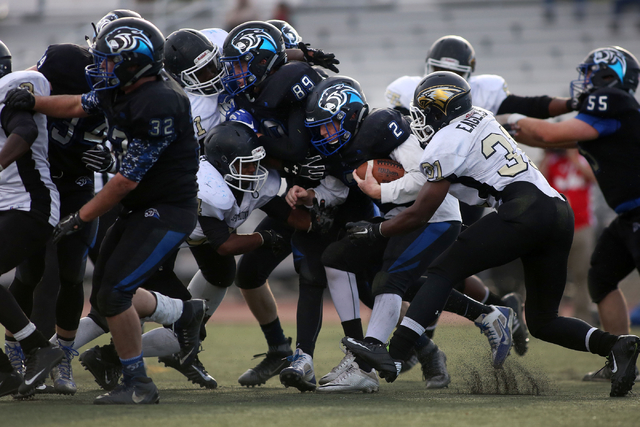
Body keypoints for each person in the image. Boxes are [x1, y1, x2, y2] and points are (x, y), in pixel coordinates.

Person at [342, 71, 640, 399]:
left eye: (425, 111)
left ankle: (395, 355)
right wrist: (390, 191)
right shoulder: (481, 116)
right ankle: (616, 345)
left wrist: (376, 230)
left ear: (439, 110)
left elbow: (420, 213)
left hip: (522, 209)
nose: (421, 120)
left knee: (442, 270)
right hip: (557, 211)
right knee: (543, 321)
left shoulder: (445, 142)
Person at [3, 17, 203, 404]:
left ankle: (138, 383)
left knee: (112, 294)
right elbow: (78, 103)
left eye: (110, 59)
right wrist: (34, 101)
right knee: (108, 294)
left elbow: (125, 180)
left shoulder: (159, 101)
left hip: (167, 208)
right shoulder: (121, 88)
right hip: (140, 207)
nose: (101, 67)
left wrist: (81, 216)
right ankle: (181, 312)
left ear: (133, 63)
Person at [287, 76, 518, 392]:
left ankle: (363, 368)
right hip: (398, 221)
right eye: (321, 129)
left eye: (331, 125)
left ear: (352, 114)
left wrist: (382, 190)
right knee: (335, 260)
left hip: (434, 219)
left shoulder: (382, 127)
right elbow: (336, 190)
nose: (326, 135)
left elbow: (424, 178)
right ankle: (486, 316)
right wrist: (312, 197)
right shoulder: (342, 149)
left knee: (390, 281)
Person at [500, 45, 640, 386]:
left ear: (610, 78)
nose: (586, 83)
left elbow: (548, 133)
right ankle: (620, 358)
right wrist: (504, 130)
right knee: (602, 277)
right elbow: (548, 143)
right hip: (627, 215)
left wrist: (504, 119)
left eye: (593, 75)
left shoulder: (615, 104)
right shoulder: (605, 118)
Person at [219, 20, 330, 389]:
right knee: (249, 275)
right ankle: (281, 350)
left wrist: (302, 165)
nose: (234, 74)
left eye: (241, 65)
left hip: (326, 193)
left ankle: (418, 344)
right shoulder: (258, 91)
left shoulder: (295, 88)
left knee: (362, 281)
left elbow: (307, 146)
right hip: (285, 190)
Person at [0, 40, 65, 399]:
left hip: (29, 205)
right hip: (10, 205)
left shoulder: (10, 91)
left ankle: (39, 349)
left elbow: (24, 132)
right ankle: (6, 372)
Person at [539, 148, 596, 322]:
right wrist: (547, 154)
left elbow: (594, 178)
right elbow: (538, 180)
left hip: (582, 225)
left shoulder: (583, 159)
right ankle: (550, 318)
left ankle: (583, 317)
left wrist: (574, 157)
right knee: (553, 272)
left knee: (583, 274)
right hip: (556, 226)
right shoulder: (551, 161)